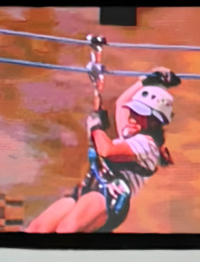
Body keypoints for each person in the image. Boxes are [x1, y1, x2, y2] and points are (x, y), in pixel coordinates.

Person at [25, 68, 178, 234]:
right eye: (133, 111)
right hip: (89, 188)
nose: (132, 117)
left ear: (154, 122)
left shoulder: (147, 145)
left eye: (140, 114)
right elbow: (121, 104)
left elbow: (106, 150)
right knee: (36, 229)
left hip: (110, 197)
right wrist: (145, 81)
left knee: (66, 230)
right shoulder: (130, 134)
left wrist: (96, 126)